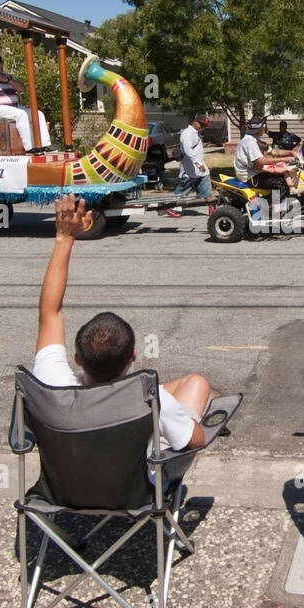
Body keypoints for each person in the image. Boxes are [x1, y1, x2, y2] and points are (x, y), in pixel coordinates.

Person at [33, 195, 209, 477]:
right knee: (196, 388)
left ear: (77, 358)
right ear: (133, 357)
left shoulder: (52, 384)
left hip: (64, 488)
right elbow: (195, 441)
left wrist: (64, 237)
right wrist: (179, 420)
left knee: (188, 385)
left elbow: (49, 312)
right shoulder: (149, 400)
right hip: (135, 493)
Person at [0, 52, 50, 152]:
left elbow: (22, 88)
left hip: (12, 107)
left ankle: (44, 145)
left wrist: (6, 80)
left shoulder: (7, 76)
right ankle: (30, 148)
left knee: (38, 114)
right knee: (21, 115)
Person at [168, 114, 212, 217]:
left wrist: (201, 164)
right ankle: (173, 208)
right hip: (189, 168)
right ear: (195, 122)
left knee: (206, 189)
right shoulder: (187, 134)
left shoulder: (196, 133)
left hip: (200, 169)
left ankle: (212, 207)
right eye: (202, 125)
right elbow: (188, 151)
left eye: (204, 126)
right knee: (182, 190)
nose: (203, 127)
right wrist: (198, 164)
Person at [233, 119, 292, 194]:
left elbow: (273, 151)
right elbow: (260, 161)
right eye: (264, 127)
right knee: (280, 183)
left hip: (251, 173)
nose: (265, 129)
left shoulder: (253, 139)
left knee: (281, 175)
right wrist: (283, 159)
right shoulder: (250, 142)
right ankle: (272, 205)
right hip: (249, 177)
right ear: (260, 128)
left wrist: (291, 152)